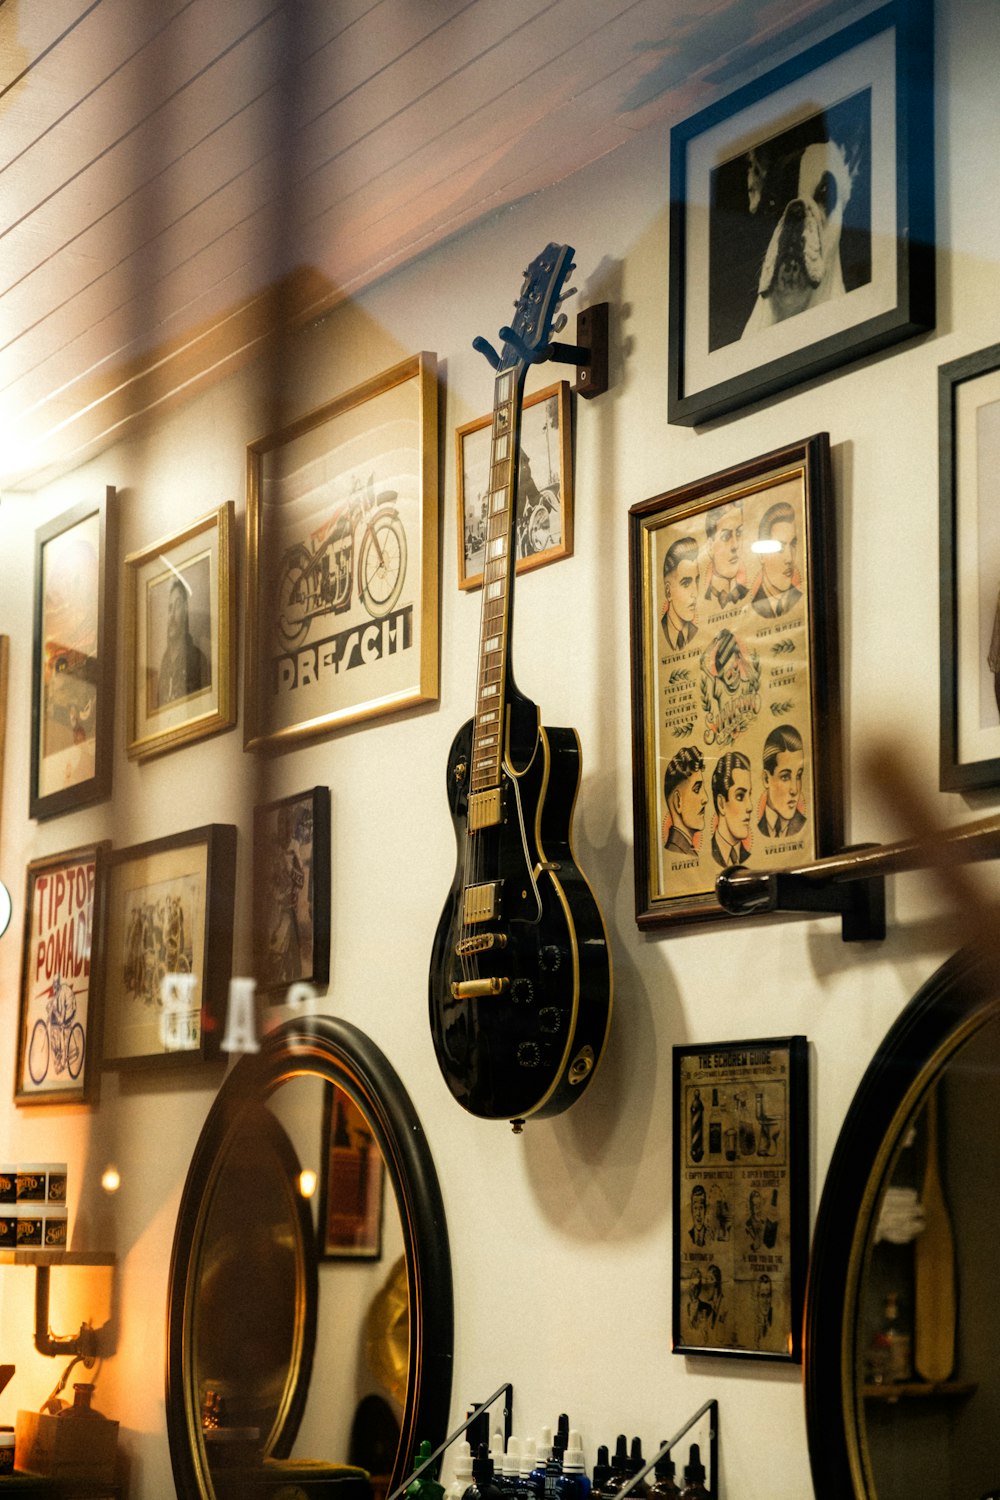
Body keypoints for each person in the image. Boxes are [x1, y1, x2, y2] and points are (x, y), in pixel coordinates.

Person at [157, 577, 210, 706]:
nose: (172, 615)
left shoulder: (198, 659)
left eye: (178, 605)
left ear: (186, 610)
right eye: (170, 608)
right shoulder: (164, 664)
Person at [750, 500, 801, 618]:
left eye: (793, 544)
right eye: (780, 547)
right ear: (761, 555)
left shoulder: (801, 599)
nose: (789, 558)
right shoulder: (751, 609)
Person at [758, 724, 807, 838]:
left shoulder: (803, 827)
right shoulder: (756, 829)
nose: (794, 790)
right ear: (766, 779)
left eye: (799, 775)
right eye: (785, 777)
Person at [662, 746, 707, 857]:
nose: (706, 798)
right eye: (697, 789)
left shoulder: (685, 850)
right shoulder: (677, 851)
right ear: (678, 801)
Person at [710, 751, 753, 867]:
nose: (750, 807)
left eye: (750, 794)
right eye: (740, 796)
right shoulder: (709, 853)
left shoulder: (747, 855)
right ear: (721, 803)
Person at [704, 501, 748, 607]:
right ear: (710, 547)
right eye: (726, 537)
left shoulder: (749, 594)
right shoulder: (703, 602)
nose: (735, 545)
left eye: (738, 533)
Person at [661, 537, 699, 650]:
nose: (695, 593)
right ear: (668, 592)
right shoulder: (661, 634)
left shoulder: (696, 633)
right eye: (686, 584)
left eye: (697, 580)